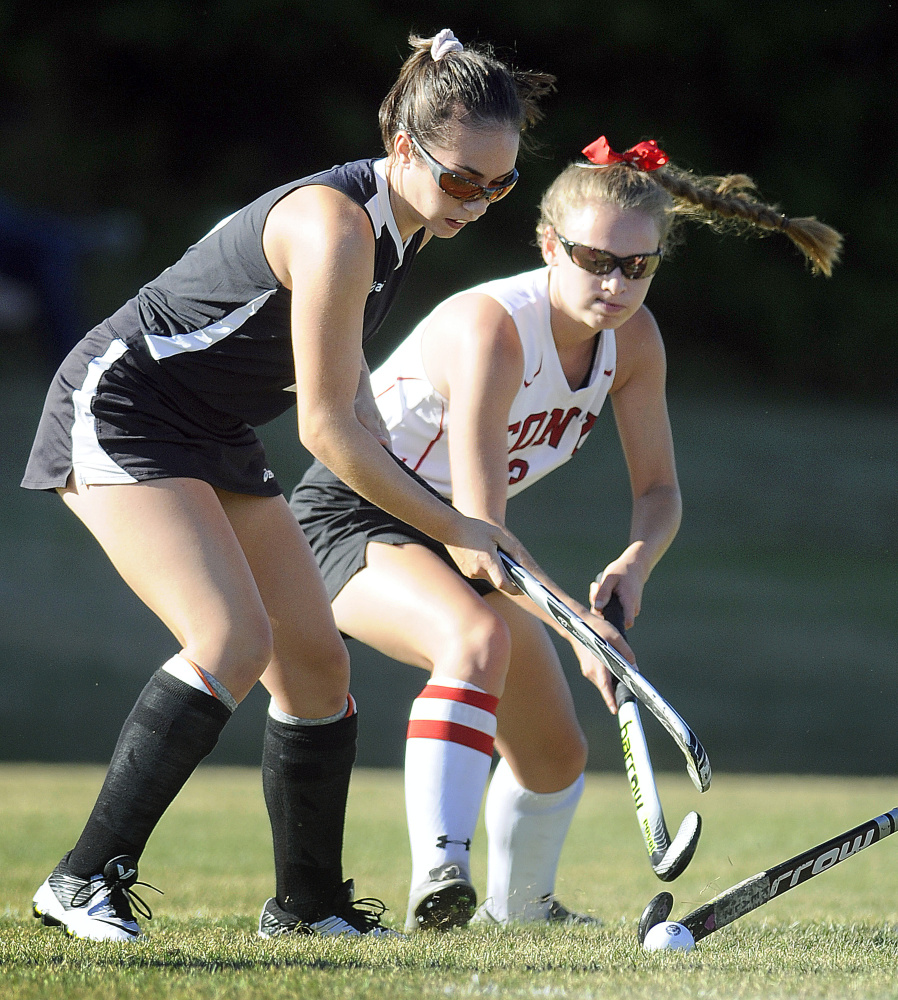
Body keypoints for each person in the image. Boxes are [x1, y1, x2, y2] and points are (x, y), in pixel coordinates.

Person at [21, 29, 555, 942]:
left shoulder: (407, 226)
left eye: (498, 187)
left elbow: (352, 398)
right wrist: (458, 527)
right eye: (463, 178)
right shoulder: (338, 225)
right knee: (230, 639)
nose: (477, 201)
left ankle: (306, 907)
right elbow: (324, 427)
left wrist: (451, 518)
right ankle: (80, 881)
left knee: (315, 664)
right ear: (404, 148)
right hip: (125, 405)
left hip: (213, 430)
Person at [289, 135, 843, 931]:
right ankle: (441, 880)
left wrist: (636, 564)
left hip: (469, 542)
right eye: (594, 260)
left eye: (638, 267)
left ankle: (522, 910)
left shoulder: (635, 343)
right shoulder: (494, 330)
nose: (616, 285)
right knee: (476, 641)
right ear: (549, 244)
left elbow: (659, 490)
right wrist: (580, 629)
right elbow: (479, 538)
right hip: (355, 515)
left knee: (555, 756)